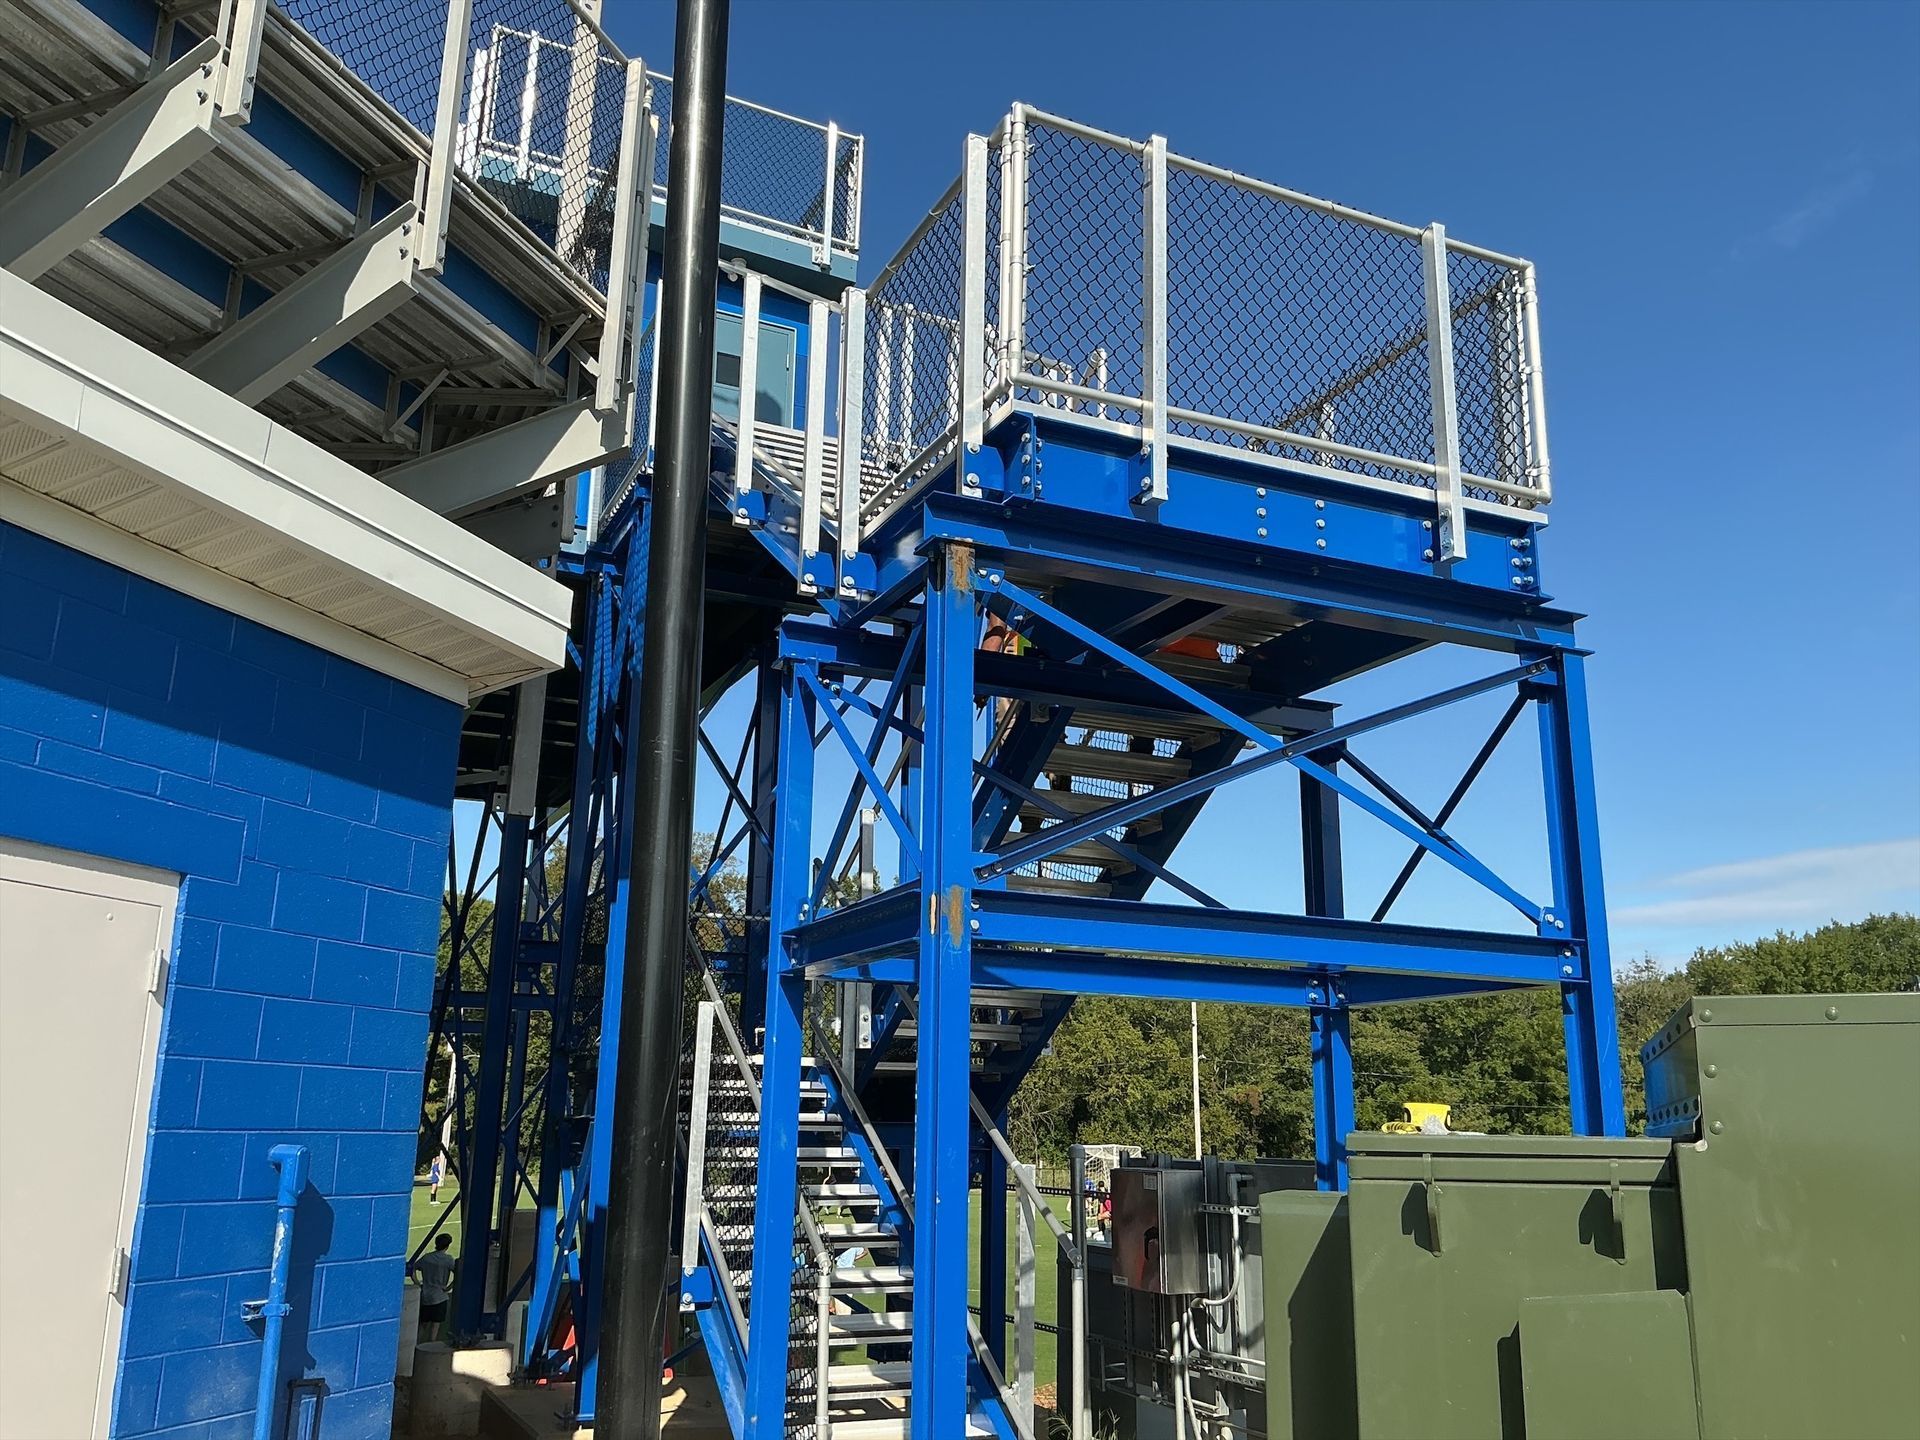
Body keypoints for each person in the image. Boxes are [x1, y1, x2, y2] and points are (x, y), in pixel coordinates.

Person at [413, 1234, 456, 1341]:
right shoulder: (448, 1260)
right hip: (440, 1296)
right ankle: (430, 1349)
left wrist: (418, 1283)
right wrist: (449, 1287)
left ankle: (416, 1347)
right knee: (435, 1327)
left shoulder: (426, 1258)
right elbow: (458, 1273)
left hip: (426, 1296)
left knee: (423, 1325)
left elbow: (412, 1268)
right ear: (447, 1246)